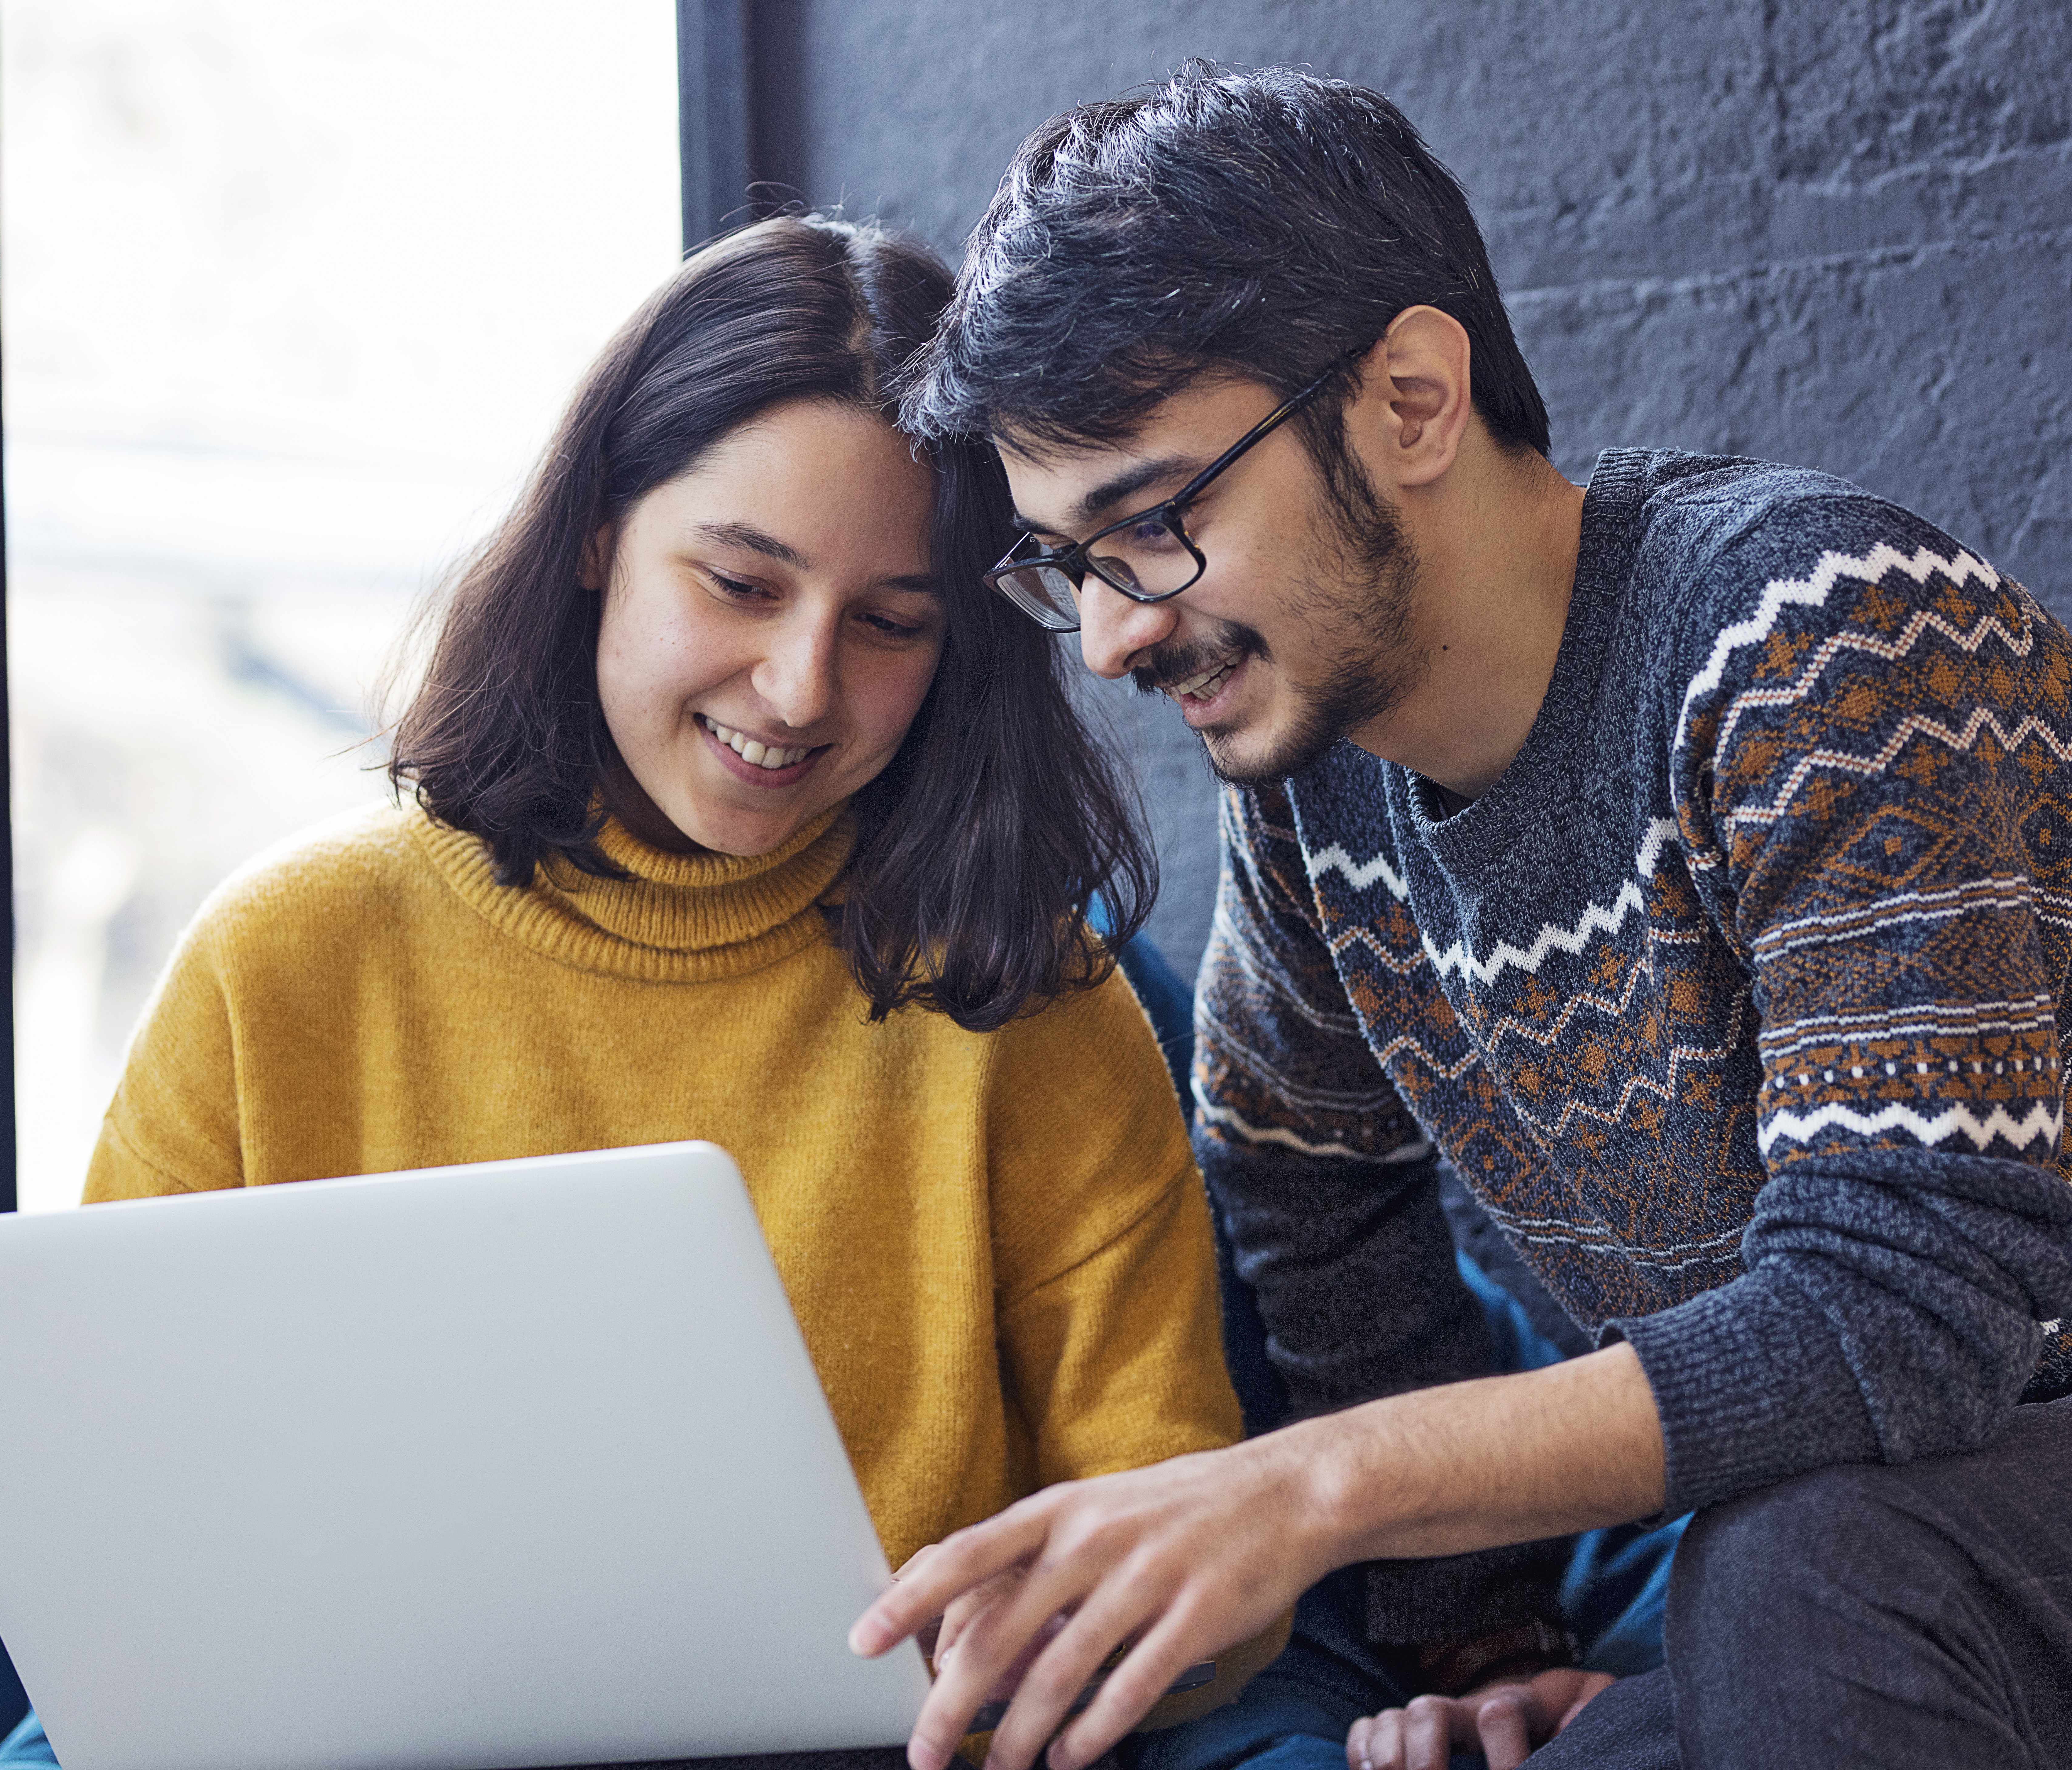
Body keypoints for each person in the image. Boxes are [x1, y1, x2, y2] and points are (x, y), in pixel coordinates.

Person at [853, 65, 2072, 1770]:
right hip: (1864, 1572)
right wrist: (1488, 1637)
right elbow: (1305, 1187)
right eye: (1069, 563)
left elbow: (1918, 1310)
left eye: (1152, 525)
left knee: (1803, 1557)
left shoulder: (1824, 637)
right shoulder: (1316, 789)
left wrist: (1315, 1488)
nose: (1114, 639)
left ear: (1413, 400)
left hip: (1920, 1514)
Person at [0, 215, 1290, 1770]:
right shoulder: (281, 964)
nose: (799, 688)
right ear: (598, 531)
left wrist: (1050, 1631)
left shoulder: (1024, 995)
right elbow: (123, 1540)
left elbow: (1197, 1578)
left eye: (890, 624)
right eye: (740, 583)